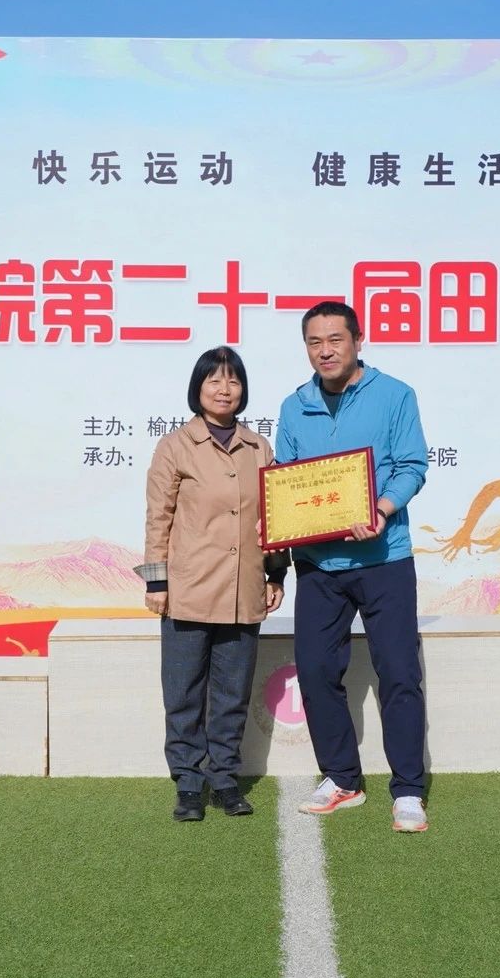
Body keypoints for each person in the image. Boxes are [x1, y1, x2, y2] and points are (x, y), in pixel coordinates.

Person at [276, 301, 431, 834]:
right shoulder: (294, 407)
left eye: (335, 339)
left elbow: (412, 466)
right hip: (319, 564)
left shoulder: (395, 395)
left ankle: (408, 789)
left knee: (399, 672)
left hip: (385, 558)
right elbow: (287, 482)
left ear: (358, 341)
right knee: (316, 671)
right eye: (314, 342)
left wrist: (382, 509)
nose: (325, 351)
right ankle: (342, 778)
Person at [140, 347, 287, 822]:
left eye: (234, 381)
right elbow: (158, 518)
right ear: (198, 388)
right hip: (188, 589)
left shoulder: (259, 447)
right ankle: (188, 783)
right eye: (214, 381)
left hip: (244, 590)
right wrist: (157, 582)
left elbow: (276, 517)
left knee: (232, 694)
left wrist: (276, 573)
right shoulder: (175, 446)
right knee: (183, 694)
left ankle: (224, 779)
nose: (225, 390)